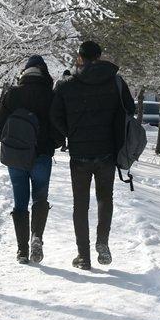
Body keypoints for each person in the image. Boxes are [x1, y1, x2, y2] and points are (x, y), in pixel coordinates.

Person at [50, 40, 135, 270]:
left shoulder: (67, 85)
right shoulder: (115, 81)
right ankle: (103, 242)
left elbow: (54, 115)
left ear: (80, 57)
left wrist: (70, 133)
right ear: (99, 56)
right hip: (106, 151)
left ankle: (83, 256)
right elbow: (130, 108)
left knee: (80, 204)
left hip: (79, 153)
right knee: (105, 198)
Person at [0, 55, 58, 264]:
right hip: (42, 155)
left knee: (20, 202)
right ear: (44, 73)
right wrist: (51, 144)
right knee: (40, 198)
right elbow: (57, 128)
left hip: (16, 157)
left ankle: (22, 251)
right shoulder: (50, 96)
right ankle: (37, 237)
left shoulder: (12, 94)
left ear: (25, 72)